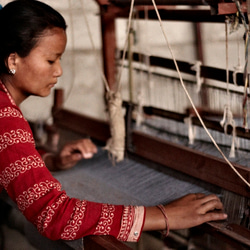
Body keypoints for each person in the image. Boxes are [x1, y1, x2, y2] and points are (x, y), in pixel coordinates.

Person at [0, 0, 227, 243]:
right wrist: (165, 215)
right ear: (13, 60)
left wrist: (49, 161)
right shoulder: (6, 118)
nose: (59, 71)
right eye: (51, 60)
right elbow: (55, 216)